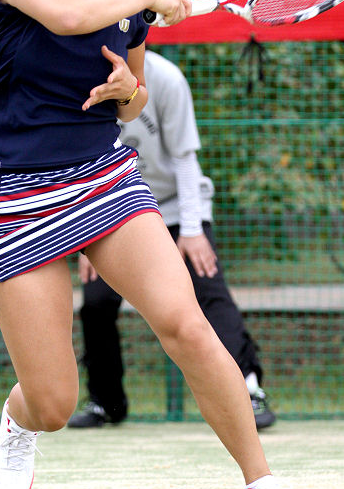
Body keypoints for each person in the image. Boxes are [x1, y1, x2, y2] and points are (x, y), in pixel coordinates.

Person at [0, 0, 308, 489]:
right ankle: (19, 418)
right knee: (54, 402)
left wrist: (128, 88)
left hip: (102, 174)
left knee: (185, 323)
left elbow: (135, 99)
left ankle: (263, 486)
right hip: (14, 190)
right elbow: (68, 16)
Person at [69, 50, 276, 431]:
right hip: (112, 209)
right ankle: (105, 402)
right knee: (96, 302)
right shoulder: (79, 74)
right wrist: (85, 234)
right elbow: (80, 166)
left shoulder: (167, 79)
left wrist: (192, 230)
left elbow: (184, 158)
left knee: (207, 288)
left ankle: (249, 388)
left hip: (177, 207)